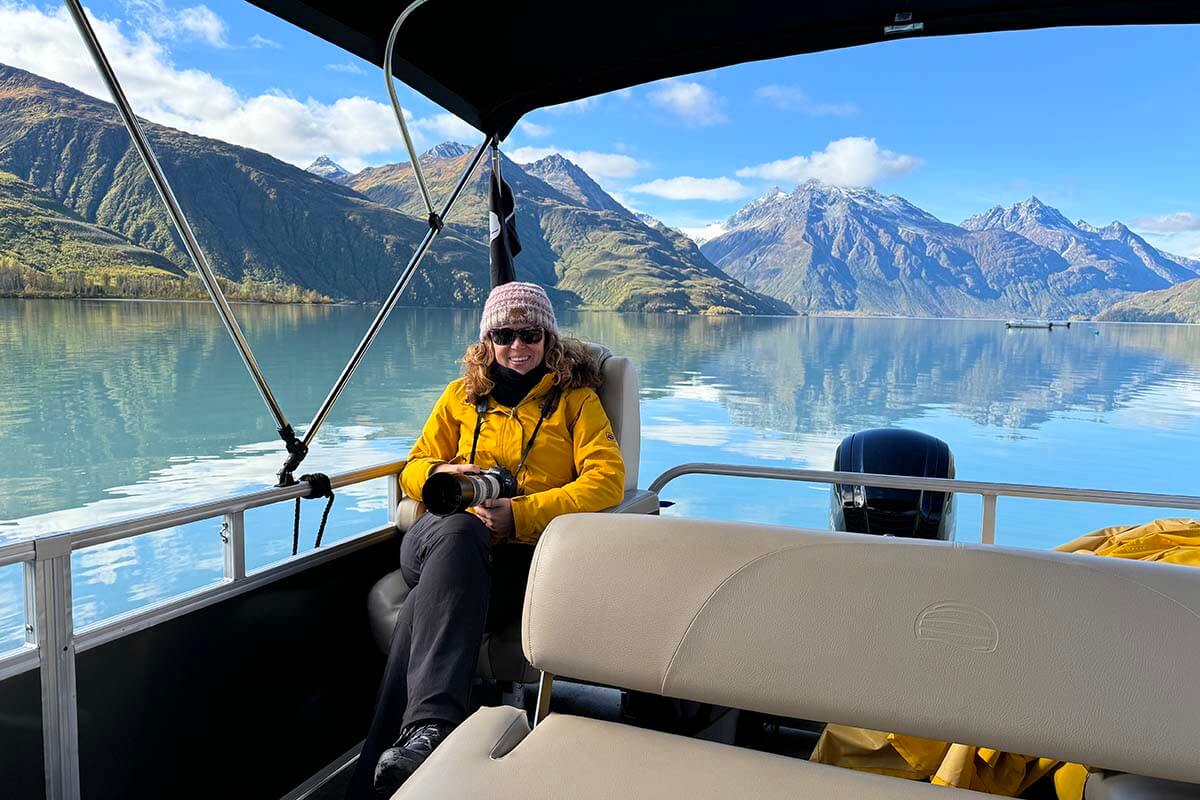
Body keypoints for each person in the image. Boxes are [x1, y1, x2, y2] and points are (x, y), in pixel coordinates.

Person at [348, 282, 625, 798]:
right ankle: (433, 728)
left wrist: (518, 515)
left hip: (520, 556)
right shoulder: (459, 398)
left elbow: (605, 479)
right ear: (487, 340)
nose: (517, 346)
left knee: (418, 609)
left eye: (530, 334)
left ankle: (410, 748)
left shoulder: (576, 402)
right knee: (459, 526)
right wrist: (443, 471)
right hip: (438, 540)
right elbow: (413, 468)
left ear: (549, 340)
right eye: (504, 335)